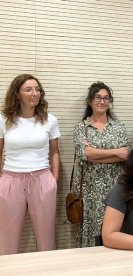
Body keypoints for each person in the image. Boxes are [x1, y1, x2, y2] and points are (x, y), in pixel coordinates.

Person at [0, 74, 60, 255]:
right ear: (17, 94)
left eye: (38, 89)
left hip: (42, 178)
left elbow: (54, 152)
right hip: (11, 179)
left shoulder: (50, 120)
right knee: (7, 239)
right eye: (29, 89)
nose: (35, 93)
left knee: (46, 239)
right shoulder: (4, 120)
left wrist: (53, 180)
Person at [73, 81, 129, 247]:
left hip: (115, 187)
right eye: (98, 97)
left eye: (106, 98)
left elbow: (125, 155)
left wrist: (96, 155)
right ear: (90, 101)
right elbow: (85, 153)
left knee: (114, 228)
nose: (102, 101)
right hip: (89, 189)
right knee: (91, 232)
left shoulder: (119, 127)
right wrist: (115, 152)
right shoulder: (81, 127)